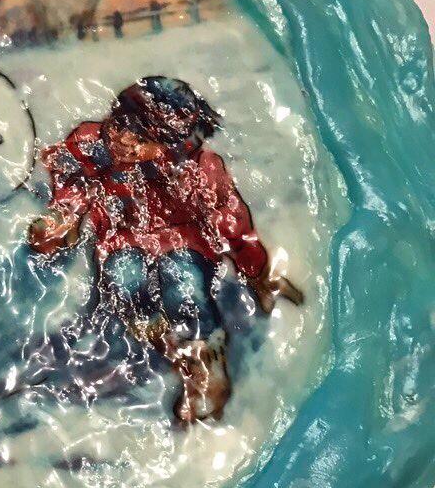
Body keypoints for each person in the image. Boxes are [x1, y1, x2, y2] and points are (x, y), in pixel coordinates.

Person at [29, 76, 302, 422]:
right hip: (123, 238)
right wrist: (63, 216)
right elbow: (74, 180)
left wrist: (257, 270)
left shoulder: (195, 169)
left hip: (183, 240)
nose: (124, 141)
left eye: (142, 139)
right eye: (120, 125)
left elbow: (231, 221)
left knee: (184, 284)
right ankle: (161, 339)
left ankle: (205, 369)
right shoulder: (92, 145)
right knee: (123, 278)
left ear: (168, 143)